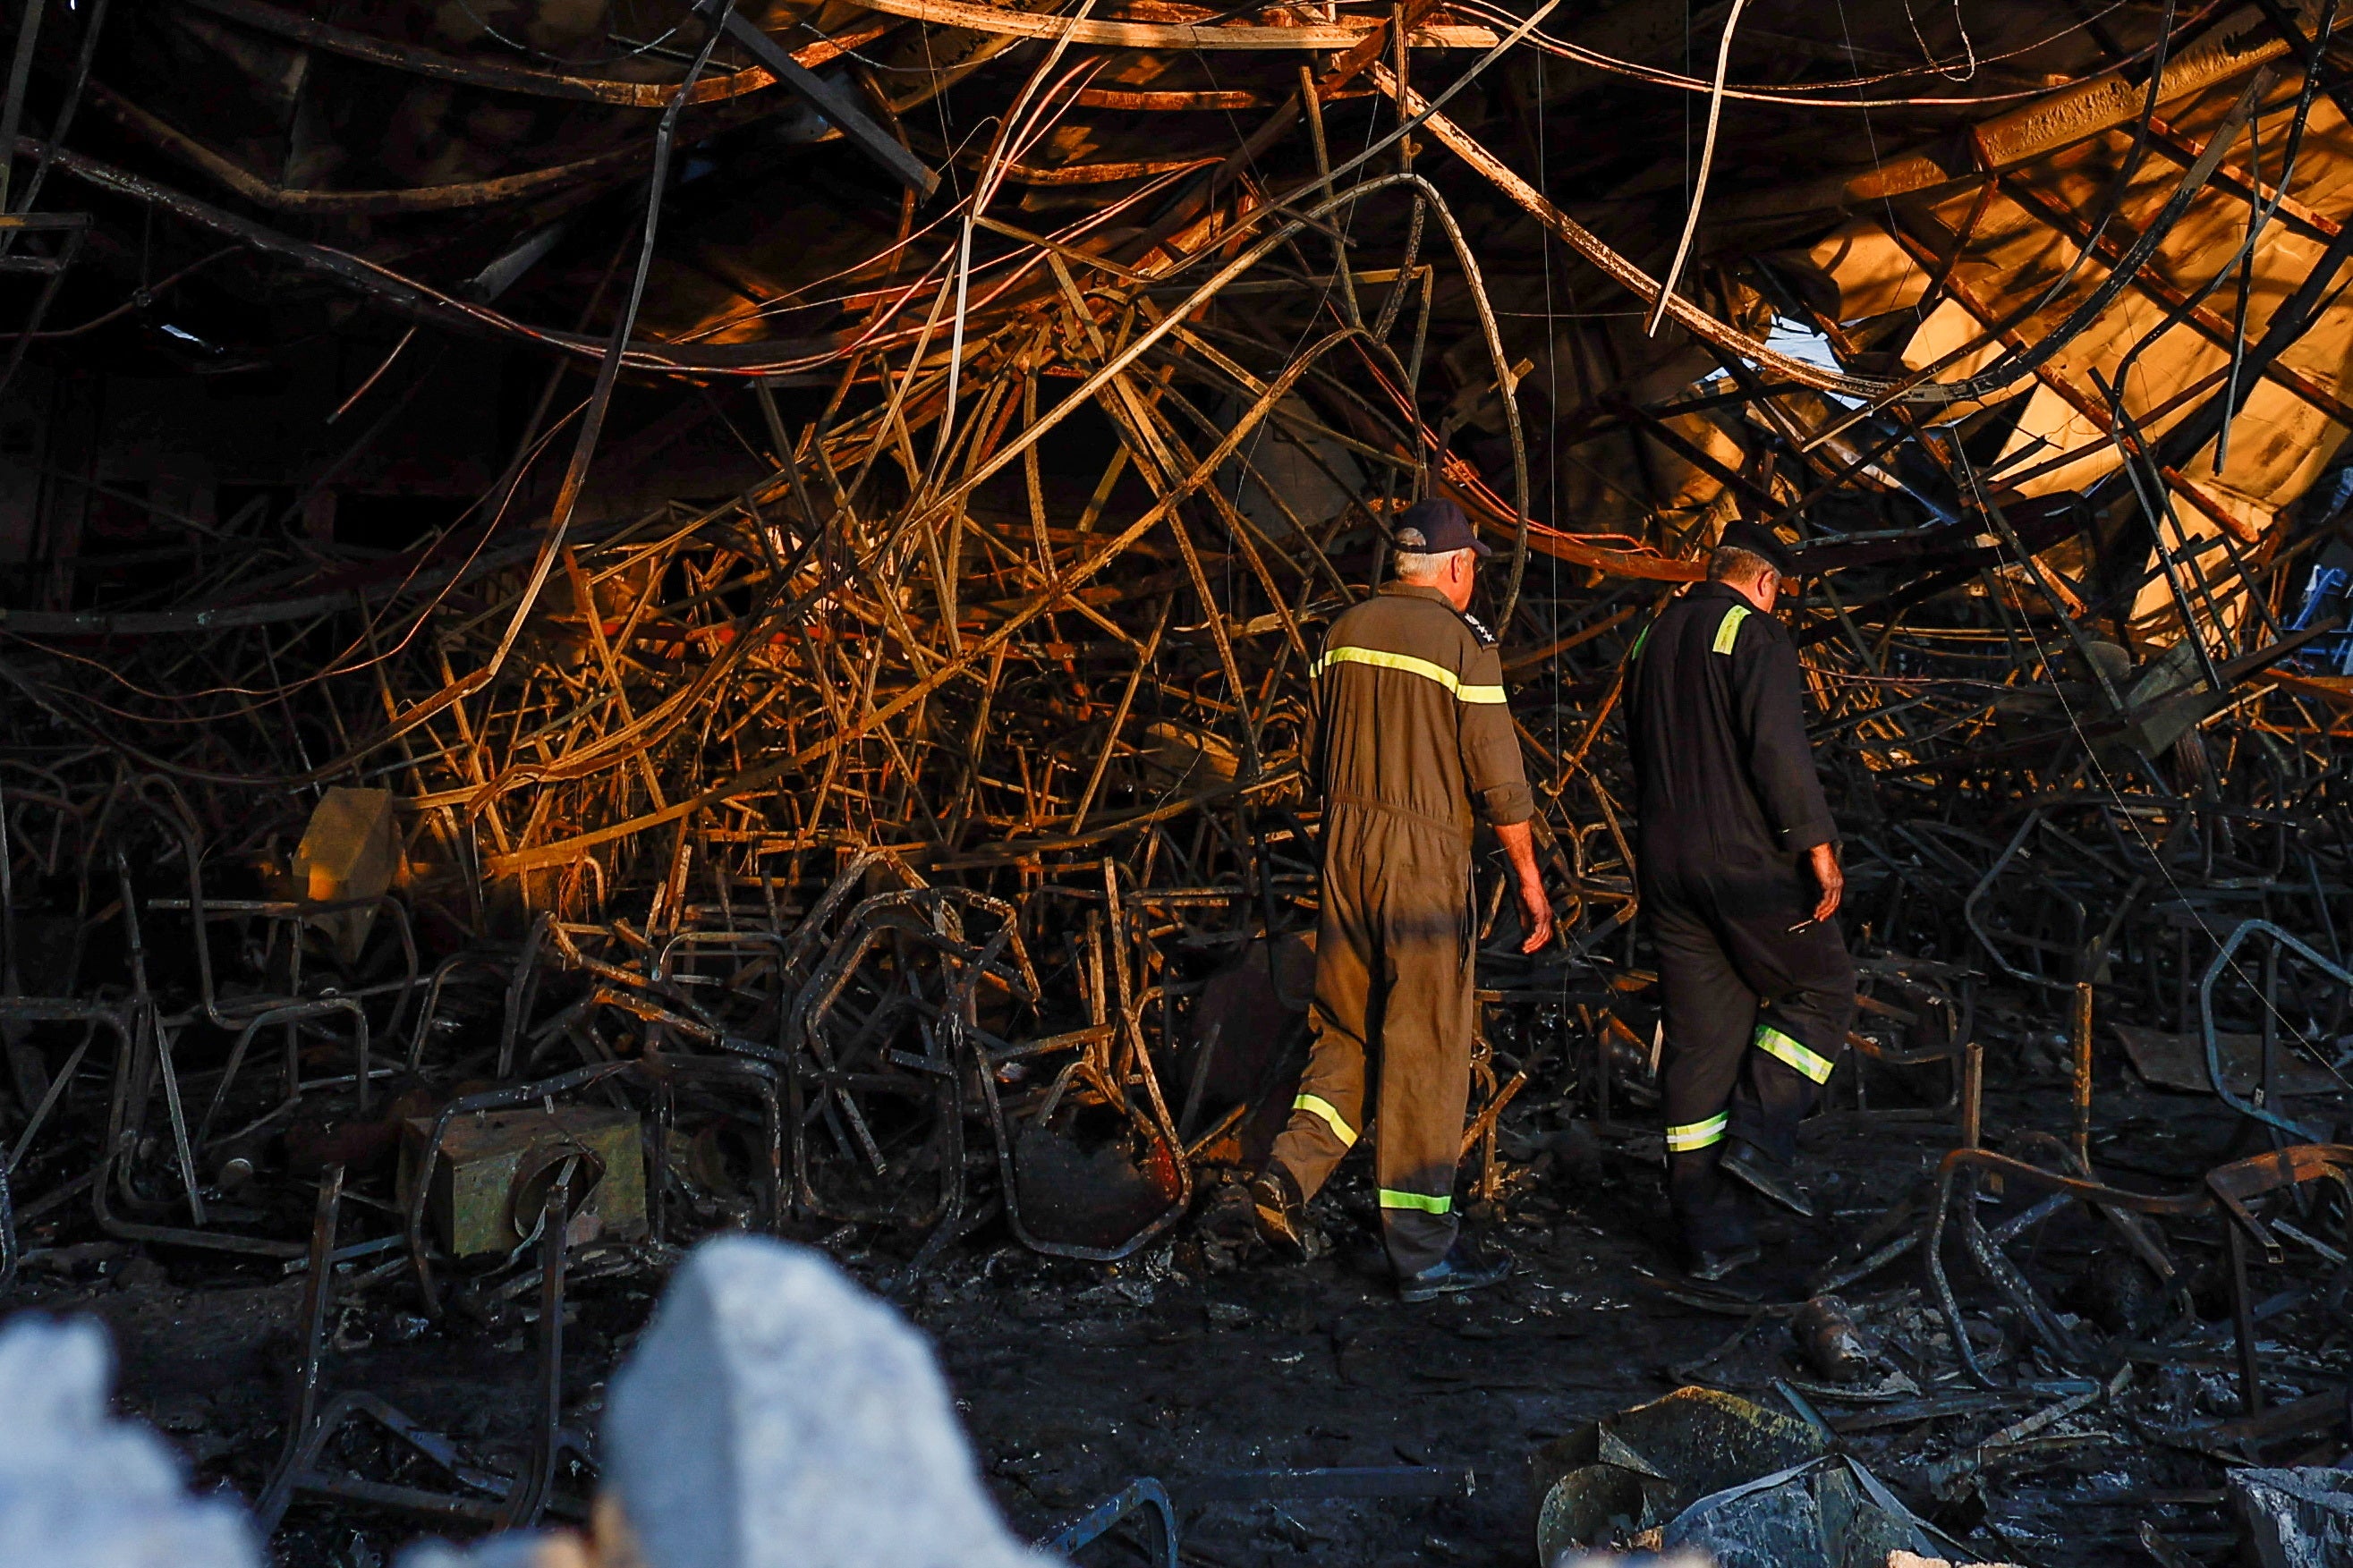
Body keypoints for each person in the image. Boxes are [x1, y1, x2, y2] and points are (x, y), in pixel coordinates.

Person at [1224, 496, 1553, 1302]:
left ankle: (1289, 1175)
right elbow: (1501, 782)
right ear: (1458, 566)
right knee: (1427, 1047)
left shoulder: (1340, 634)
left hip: (1344, 854)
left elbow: (1308, 757)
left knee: (1345, 1029)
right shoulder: (1464, 646)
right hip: (1422, 866)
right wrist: (1531, 883)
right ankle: (1422, 1248)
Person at [1623, 519, 1856, 1282]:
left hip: (1664, 866)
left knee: (1703, 1041)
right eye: (1779, 596)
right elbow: (1777, 750)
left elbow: (1640, 745)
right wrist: (1817, 846)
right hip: (1745, 864)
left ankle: (1708, 1231)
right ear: (1765, 583)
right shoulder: (1753, 635)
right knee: (1821, 987)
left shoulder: (1651, 637)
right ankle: (1758, 1141)